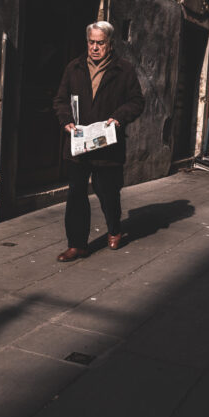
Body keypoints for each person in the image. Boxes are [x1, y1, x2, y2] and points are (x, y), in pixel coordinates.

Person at [52, 21, 144, 261]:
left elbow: (136, 101)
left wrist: (119, 118)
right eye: (91, 42)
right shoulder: (74, 68)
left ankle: (114, 229)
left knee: (108, 192)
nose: (94, 47)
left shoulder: (124, 70)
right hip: (79, 145)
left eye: (100, 43)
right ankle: (77, 244)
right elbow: (61, 100)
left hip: (108, 146)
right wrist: (66, 121)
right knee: (76, 194)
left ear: (110, 44)